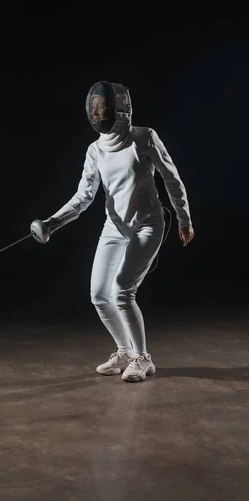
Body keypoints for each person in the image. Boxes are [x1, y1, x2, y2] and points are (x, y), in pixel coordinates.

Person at [36, 81, 194, 383]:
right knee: (99, 295)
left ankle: (142, 358)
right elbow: (83, 197)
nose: (97, 114)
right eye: (93, 109)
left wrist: (184, 218)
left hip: (148, 223)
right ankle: (124, 351)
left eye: (102, 108)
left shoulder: (144, 138)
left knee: (121, 290)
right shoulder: (95, 150)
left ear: (119, 108)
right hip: (115, 227)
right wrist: (52, 223)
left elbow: (171, 178)